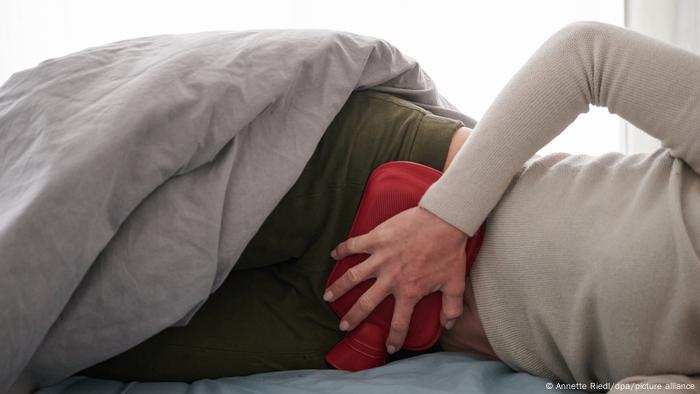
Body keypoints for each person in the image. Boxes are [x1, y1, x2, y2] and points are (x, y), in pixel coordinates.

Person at [85, 21, 699, 392]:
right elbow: (586, 54)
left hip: (384, 323)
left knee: (89, 342)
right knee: (86, 214)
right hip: (378, 176)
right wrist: (444, 222)